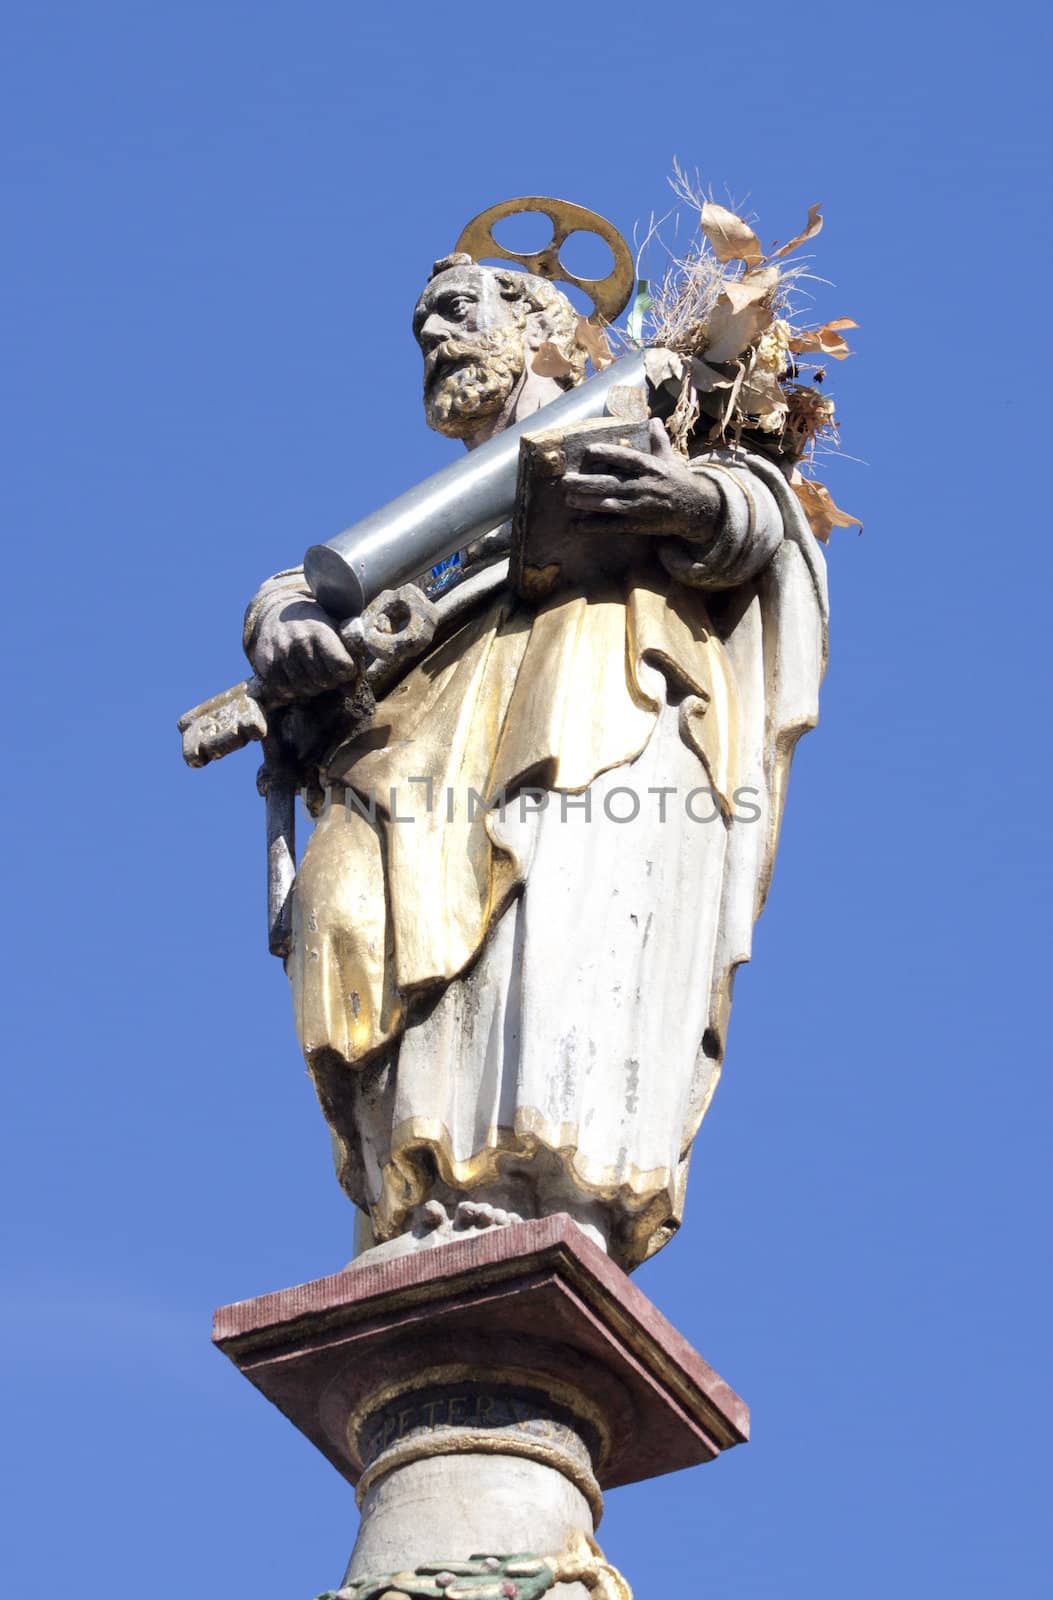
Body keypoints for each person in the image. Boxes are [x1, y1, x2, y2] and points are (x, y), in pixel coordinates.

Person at [243, 252, 828, 1271]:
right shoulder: (432, 529)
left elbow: (762, 516)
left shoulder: (630, 422)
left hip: (593, 684)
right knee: (345, 907)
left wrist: (691, 502)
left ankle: (518, 1176)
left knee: (548, 928)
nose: (433, 335)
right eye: (422, 321)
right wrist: (284, 621)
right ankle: (408, 1179)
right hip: (425, 726)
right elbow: (299, 591)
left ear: (539, 324)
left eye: (459, 309)